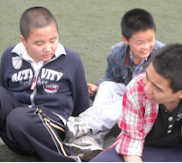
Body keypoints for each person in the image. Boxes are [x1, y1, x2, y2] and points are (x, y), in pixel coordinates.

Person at [0, 6, 89, 163]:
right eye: (39, 43)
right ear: (24, 41)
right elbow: (3, 91)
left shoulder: (71, 59)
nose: (48, 48)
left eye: (53, 40)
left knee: (19, 117)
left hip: (52, 133)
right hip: (15, 132)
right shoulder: (10, 55)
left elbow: (81, 102)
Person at [89, 43, 182, 163]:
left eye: (157, 87)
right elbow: (131, 144)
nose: (146, 88)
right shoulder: (136, 88)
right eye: (147, 76)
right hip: (143, 149)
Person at [64, 8, 164, 161]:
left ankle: (85, 124)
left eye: (151, 40)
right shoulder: (115, 54)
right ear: (126, 40)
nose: (146, 46)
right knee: (108, 86)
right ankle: (93, 140)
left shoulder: (163, 56)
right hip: (129, 99)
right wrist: (98, 87)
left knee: (134, 96)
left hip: (152, 107)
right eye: (139, 42)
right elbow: (110, 78)